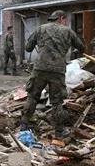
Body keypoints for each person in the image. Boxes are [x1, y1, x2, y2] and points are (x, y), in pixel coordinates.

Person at [21, 10, 84, 141]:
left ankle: (23, 125)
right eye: (65, 20)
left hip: (40, 68)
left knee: (32, 96)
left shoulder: (40, 29)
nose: (65, 22)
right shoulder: (68, 31)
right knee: (57, 101)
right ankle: (59, 132)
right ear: (61, 18)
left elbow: (27, 48)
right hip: (57, 70)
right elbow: (81, 47)